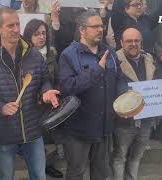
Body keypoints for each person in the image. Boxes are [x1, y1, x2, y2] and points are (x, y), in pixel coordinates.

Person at [0, 7, 60, 180]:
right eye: (10, 26)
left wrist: (46, 92)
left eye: (17, 24)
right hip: (4, 132)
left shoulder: (33, 53)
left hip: (32, 129)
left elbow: (44, 79)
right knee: (6, 176)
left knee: (39, 175)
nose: (16, 29)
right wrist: (0, 107)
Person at [58, 11, 119, 180]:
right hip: (79, 130)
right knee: (76, 173)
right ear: (82, 30)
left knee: (100, 173)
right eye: (95, 26)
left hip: (104, 128)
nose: (100, 29)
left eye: (102, 26)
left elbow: (118, 81)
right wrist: (96, 71)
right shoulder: (68, 55)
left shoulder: (110, 53)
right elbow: (67, 88)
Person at [111, 27, 159, 180]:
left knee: (136, 158)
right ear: (121, 42)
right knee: (119, 158)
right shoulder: (113, 61)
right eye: (129, 41)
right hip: (123, 122)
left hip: (146, 121)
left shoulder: (149, 59)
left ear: (141, 42)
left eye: (136, 40)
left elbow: (157, 85)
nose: (133, 44)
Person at [23, 19, 63, 178]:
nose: (41, 37)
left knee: (52, 140)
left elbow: (58, 78)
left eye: (43, 33)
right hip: (31, 107)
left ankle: (47, 165)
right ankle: (38, 167)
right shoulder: (24, 56)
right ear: (28, 36)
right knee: (36, 142)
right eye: (36, 34)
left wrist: (56, 92)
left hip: (50, 104)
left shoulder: (52, 53)